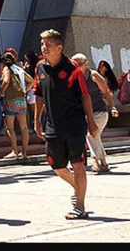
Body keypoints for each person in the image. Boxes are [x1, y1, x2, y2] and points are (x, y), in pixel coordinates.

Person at [33, 29, 99, 220]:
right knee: (57, 166)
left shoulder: (72, 69)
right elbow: (38, 95)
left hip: (74, 124)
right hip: (53, 125)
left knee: (78, 164)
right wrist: (37, 120)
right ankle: (77, 188)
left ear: (59, 47)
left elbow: (85, 96)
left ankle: (79, 206)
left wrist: (91, 122)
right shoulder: (40, 68)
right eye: (42, 44)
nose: (44, 48)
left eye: (48, 45)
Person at [72, 54, 120, 173]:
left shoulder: (93, 75)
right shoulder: (74, 77)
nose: (76, 67)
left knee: (91, 134)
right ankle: (103, 162)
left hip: (99, 111)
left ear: (86, 64)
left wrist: (112, 107)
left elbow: (106, 92)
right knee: (95, 136)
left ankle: (97, 160)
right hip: (86, 114)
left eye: (78, 65)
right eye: (74, 65)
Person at [0, 48, 35, 159]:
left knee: (10, 127)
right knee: (24, 127)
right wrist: (25, 89)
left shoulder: (7, 69)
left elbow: (6, 81)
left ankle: (14, 151)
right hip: (21, 101)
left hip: (10, 101)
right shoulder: (19, 69)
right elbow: (32, 80)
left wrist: (1, 92)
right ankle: (24, 152)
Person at [23, 50, 40, 133]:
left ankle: (32, 127)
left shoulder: (28, 66)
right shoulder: (38, 65)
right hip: (34, 89)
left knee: (32, 112)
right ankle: (37, 126)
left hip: (31, 89)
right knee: (36, 112)